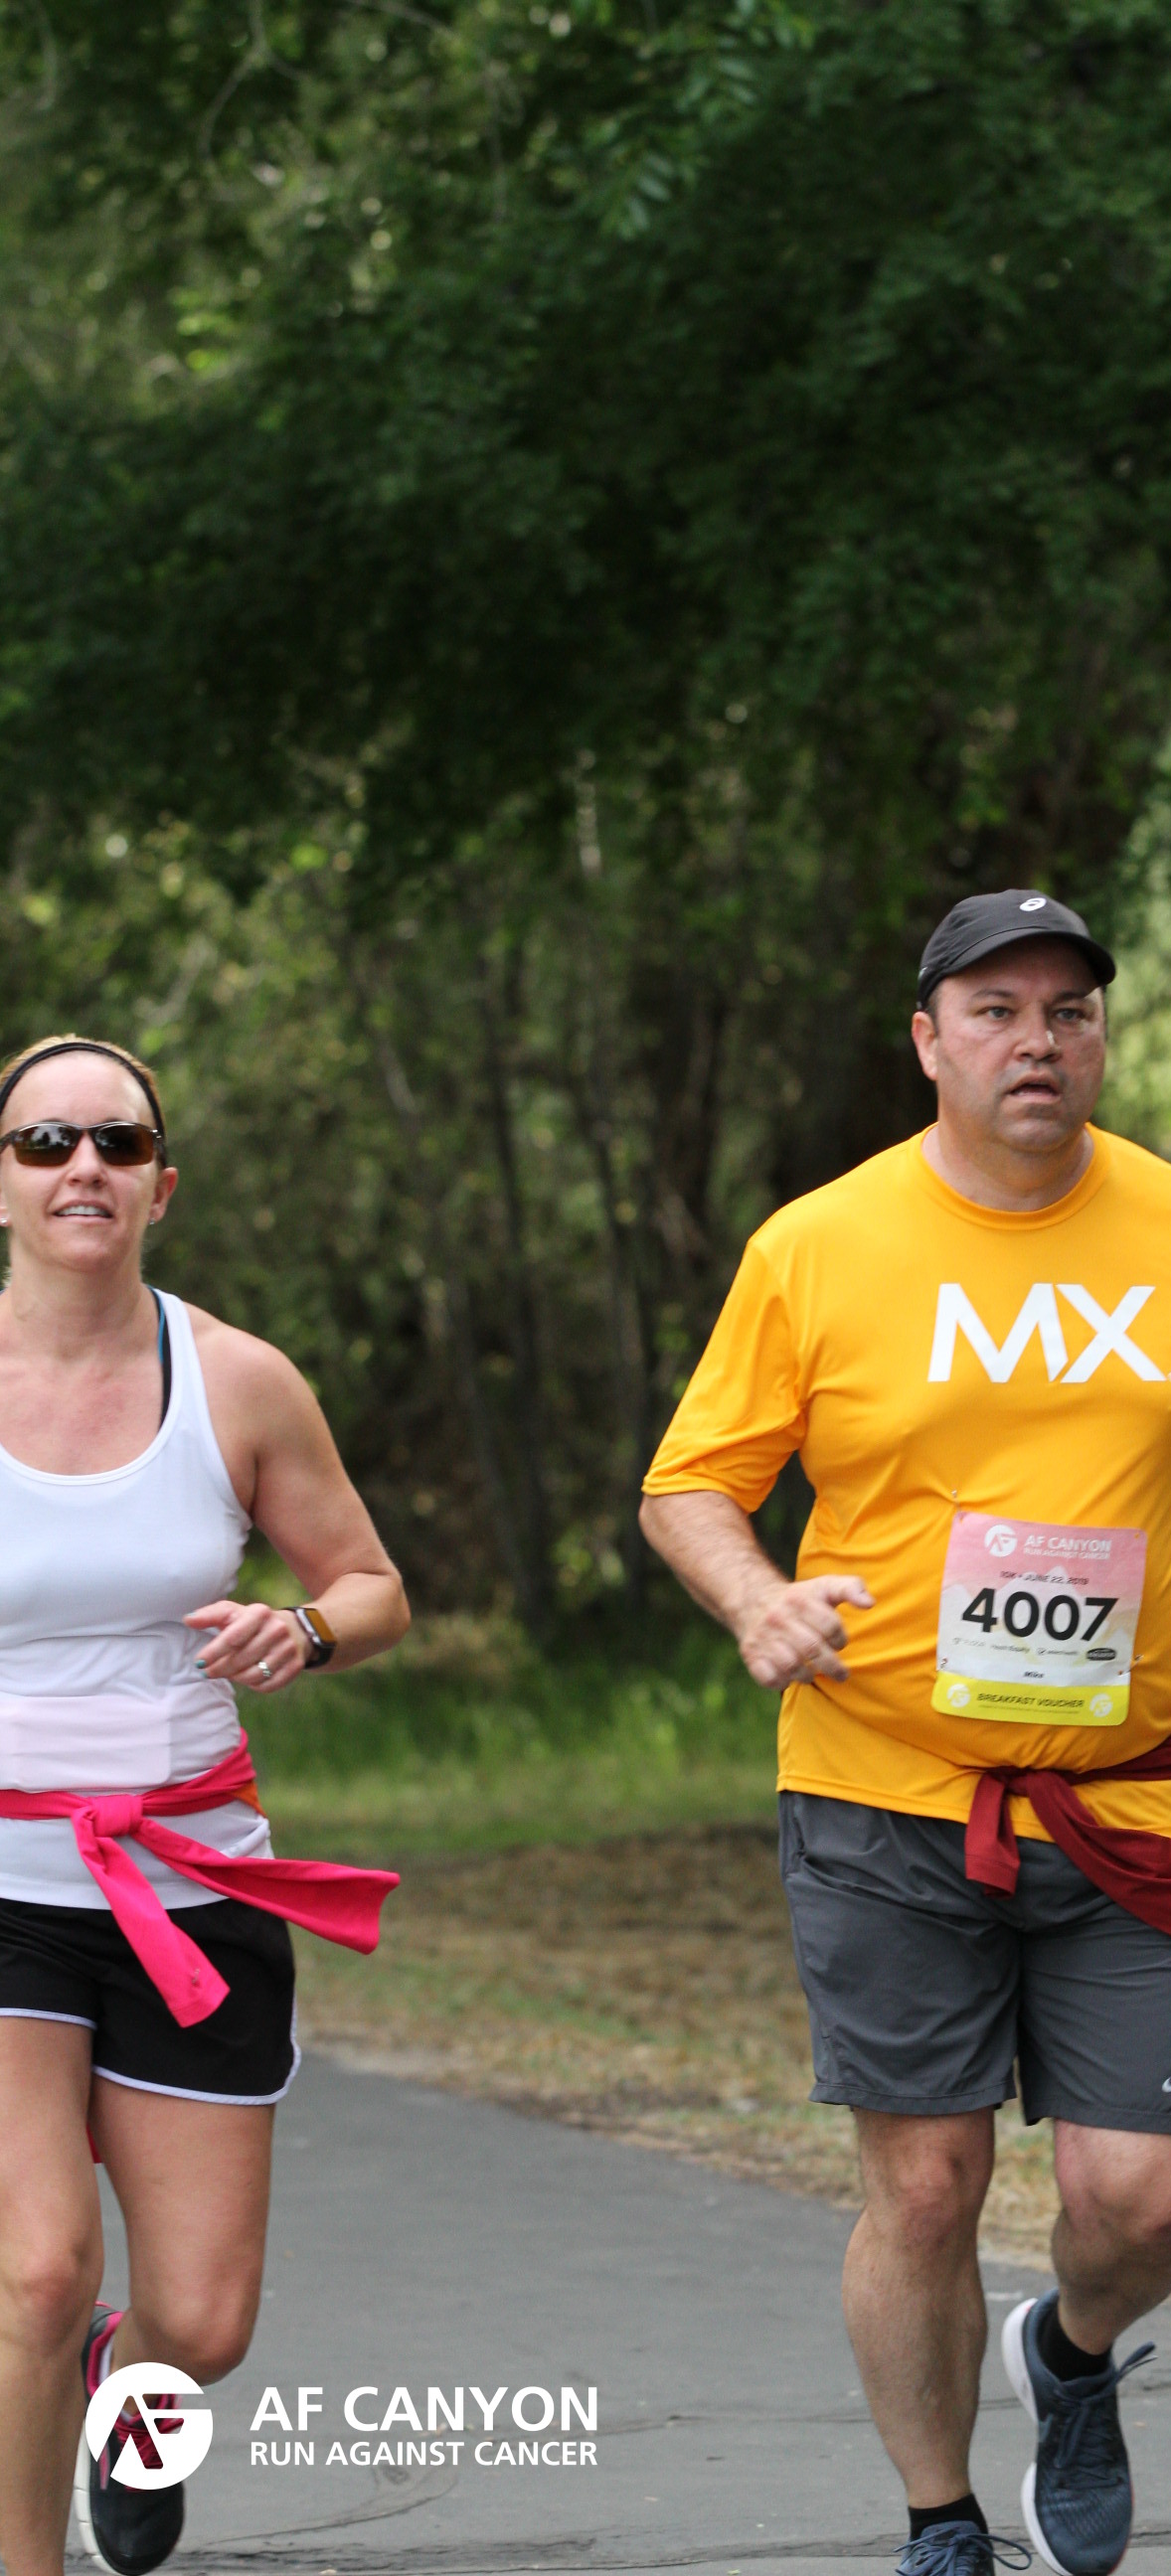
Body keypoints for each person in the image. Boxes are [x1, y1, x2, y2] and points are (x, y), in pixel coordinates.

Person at [640, 892, 1171, 2576]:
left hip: (1130, 1796)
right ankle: (939, 2518)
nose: (1036, 1040)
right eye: (996, 1009)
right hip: (882, 1788)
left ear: (1101, 1038)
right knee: (923, 2189)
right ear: (929, 1041)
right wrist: (756, 1600)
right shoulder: (818, 1245)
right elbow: (690, 1484)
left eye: (1069, 1011)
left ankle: (1074, 2348)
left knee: (1147, 2201)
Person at [0, 1035, 410, 2576]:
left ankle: (126, 2376)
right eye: (45, 1143)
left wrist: (302, 1631)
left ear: (161, 1187)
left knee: (206, 2320)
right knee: (37, 2274)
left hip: (190, 1884)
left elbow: (371, 1586)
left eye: (115, 1143)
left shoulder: (236, 1380)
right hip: (6, 1885)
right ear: (1, 1182)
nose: (82, 1167)